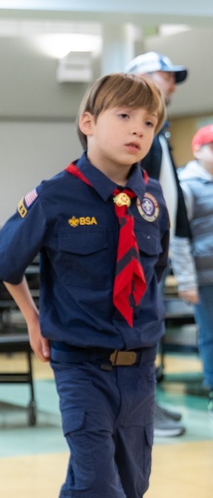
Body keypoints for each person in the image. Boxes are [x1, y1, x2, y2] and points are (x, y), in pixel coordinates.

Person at [0, 73, 169, 498]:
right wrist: (33, 321)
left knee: (131, 483)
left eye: (149, 122)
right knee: (97, 484)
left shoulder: (152, 199)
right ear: (88, 122)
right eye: (125, 116)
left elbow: (154, 270)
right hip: (81, 365)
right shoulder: (54, 195)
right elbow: (6, 261)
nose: (138, 129)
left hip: (141, 367)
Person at [125, 50, 189, 437]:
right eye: (165, 76)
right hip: (137, 249)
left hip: (155, 248)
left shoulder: (158, 130)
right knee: (139, 326)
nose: (171, 84)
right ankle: (140, 411)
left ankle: (149, 402)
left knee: (151, 326)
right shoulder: (134, 133)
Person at [169, 124, 213, 417]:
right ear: (197, 150)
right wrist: (186, 281)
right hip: (205, 277)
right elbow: (179, 237)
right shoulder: (187, 184)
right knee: (210, 334)